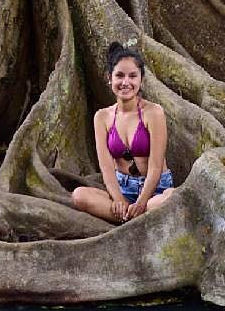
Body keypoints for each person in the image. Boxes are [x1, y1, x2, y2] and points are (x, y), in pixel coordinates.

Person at [72, 42, 174, 223]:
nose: (125, 82)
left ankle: (135, 215)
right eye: (119, 75)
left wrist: (142, 202)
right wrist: (118, 198)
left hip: (155, 190)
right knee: (79, 195)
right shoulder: (102, 117)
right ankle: (132, 215)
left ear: (141, 79)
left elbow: (156, 166)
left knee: (170, 198)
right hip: (124, 189)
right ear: (109, 78)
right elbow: (106, 167)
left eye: (132, 76)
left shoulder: (154, 112)